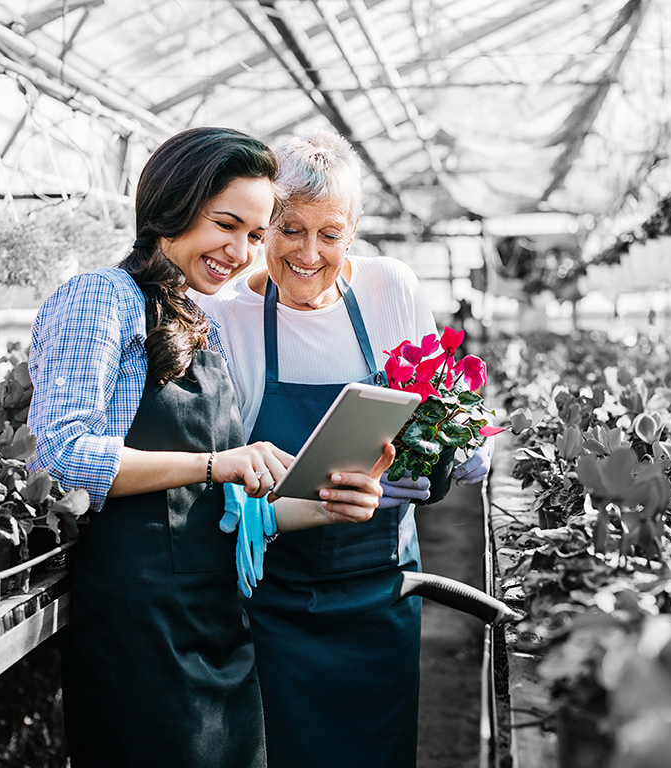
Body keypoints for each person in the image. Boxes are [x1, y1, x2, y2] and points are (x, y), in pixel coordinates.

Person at [26, 126, 392, 768]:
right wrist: (213, 462)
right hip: (141, 623)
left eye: (254, 235)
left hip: (218, 618)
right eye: (227, 224)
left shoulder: (200, 322)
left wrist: (327, 504)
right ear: (173, 206)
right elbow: (59, 453)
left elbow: (220, 514)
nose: (241, 251)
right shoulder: (101, 300)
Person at [197, 129, 494, 768]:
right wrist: (268, 502)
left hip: (382, 587)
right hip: (274, 595)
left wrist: (451, 459)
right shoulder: (224, 317)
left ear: (354, 230)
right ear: (261, 230)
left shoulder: (392, 289)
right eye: (288, 230)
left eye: (329, 234)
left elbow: (439, 407)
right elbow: (215, 468)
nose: (308, 253)